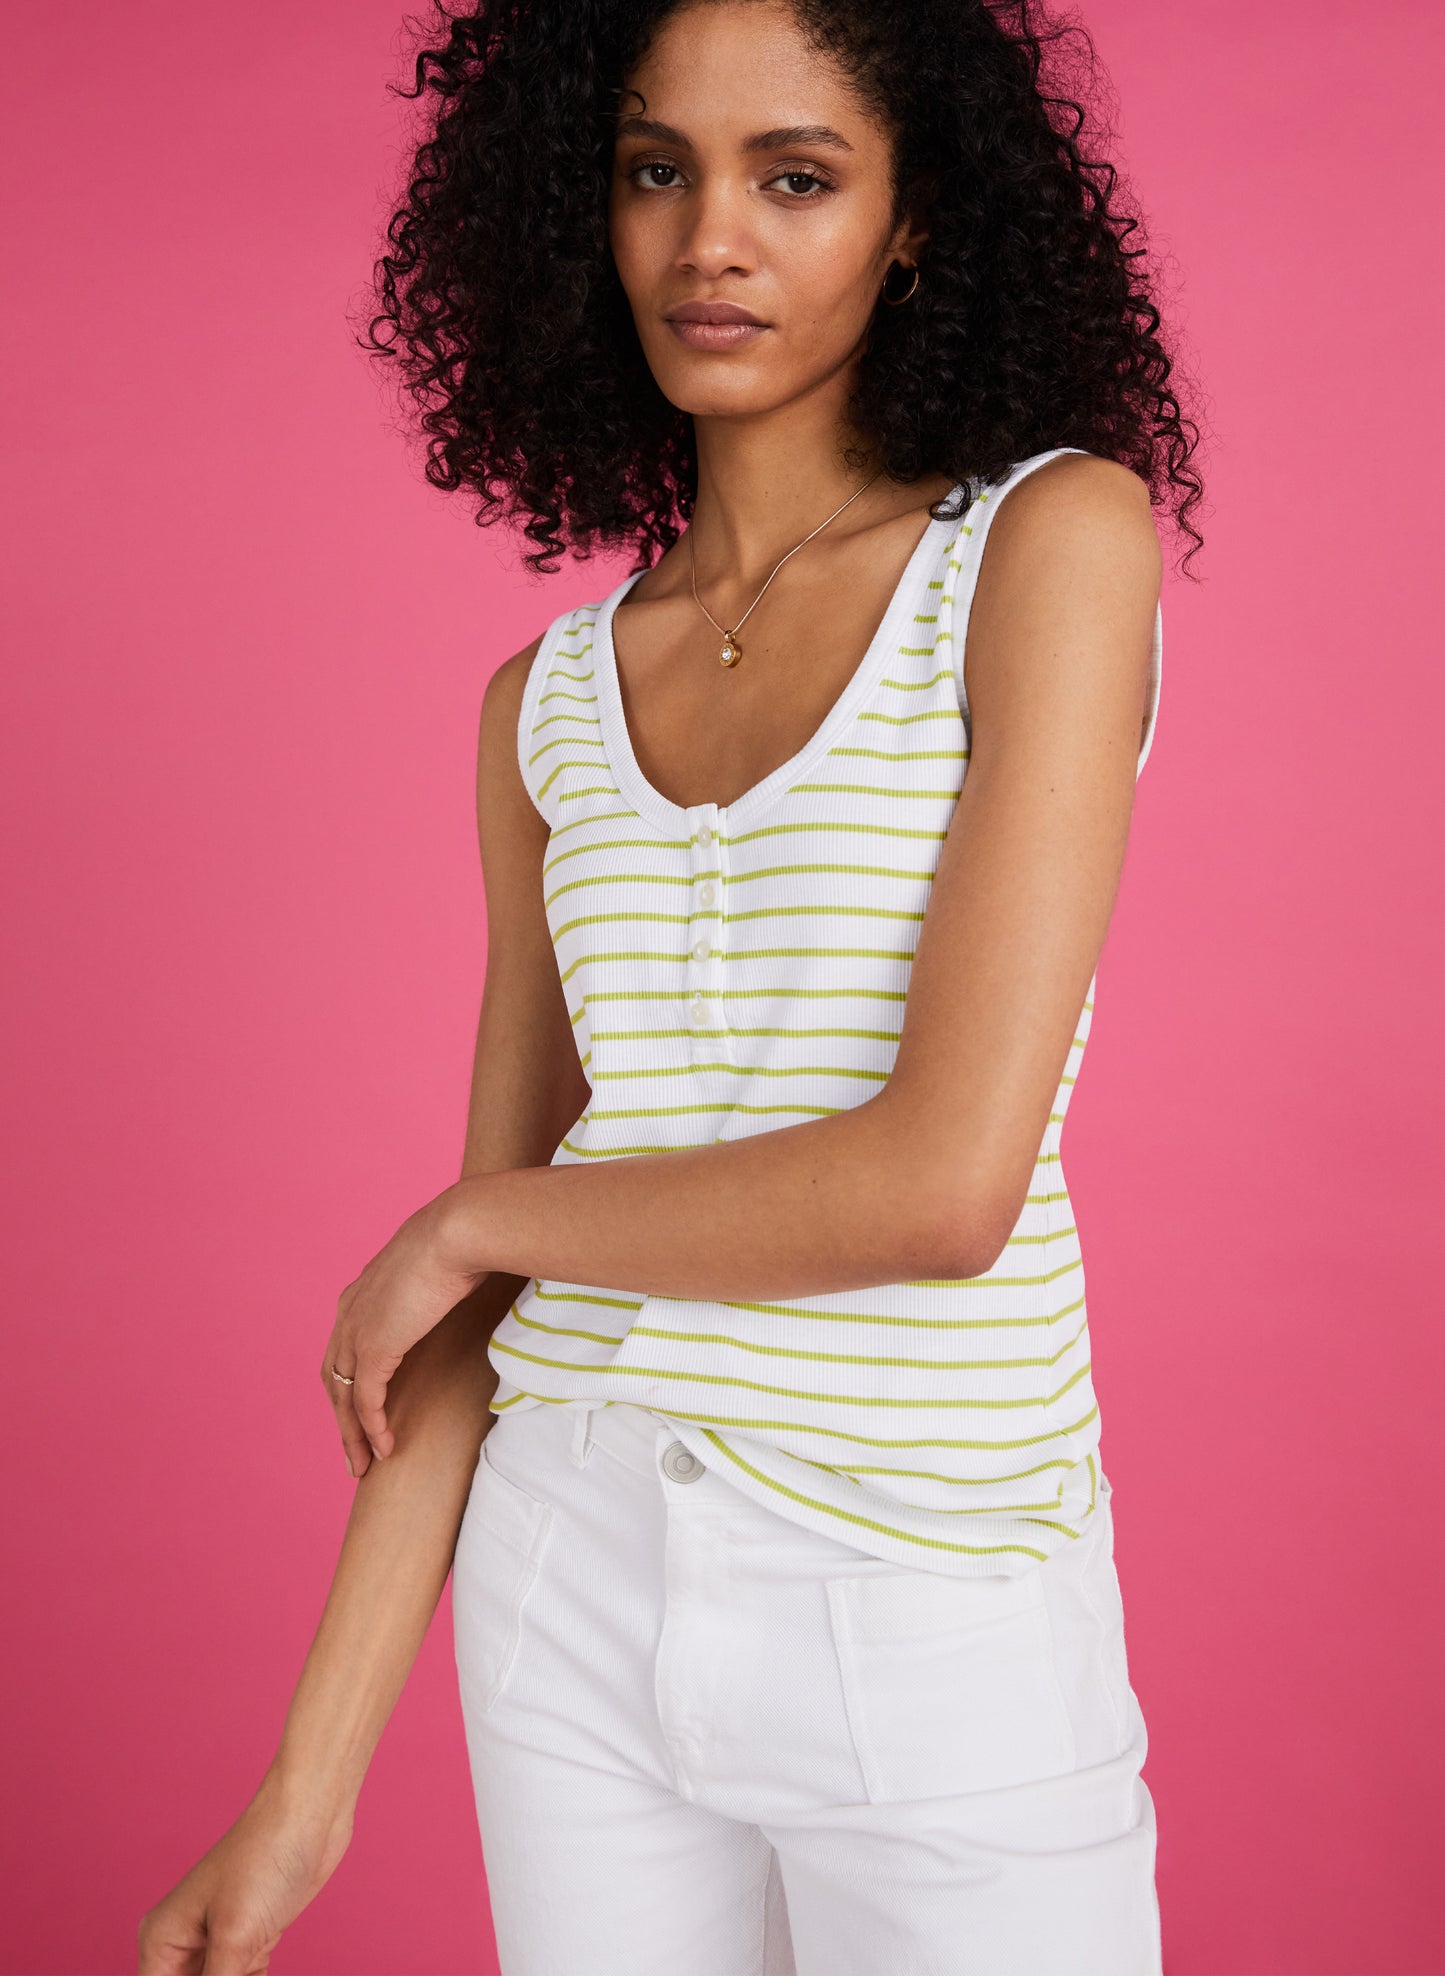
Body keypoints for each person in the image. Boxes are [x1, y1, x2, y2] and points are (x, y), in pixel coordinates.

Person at [138, 0, 1203, 1970]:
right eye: (656, 169)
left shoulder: (1049, 546)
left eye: (794, 176)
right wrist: (305, 1792)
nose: (710, 238)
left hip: (929, 1597)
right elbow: (466, 1321)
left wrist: (474, 1220)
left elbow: (941, 1186)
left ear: (914, 216)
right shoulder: (542, 704)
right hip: (569, 1580)